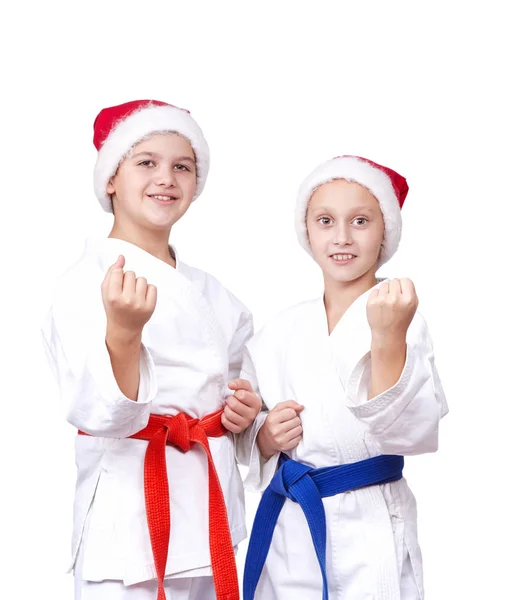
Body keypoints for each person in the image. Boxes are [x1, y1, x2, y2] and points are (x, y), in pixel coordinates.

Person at [42, 99, 261, 600]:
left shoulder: (216, 295)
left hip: (208, 513)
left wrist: (245, 410)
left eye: (181, 166)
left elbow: (241, 396)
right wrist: (123, 332)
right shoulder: (82, 284)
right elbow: (96, 411)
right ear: (111, 180)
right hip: (127, 524)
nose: (166, 178)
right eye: (147, 162)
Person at [236, 155, 448, 600]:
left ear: (385, 232)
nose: (342, 237)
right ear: (307, 231)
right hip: (293, 525)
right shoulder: (281, 329)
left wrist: (389, 337)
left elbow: (413, 431)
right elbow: (246, 422)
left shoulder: (403, 317)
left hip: (372, 525)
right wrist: (266, 436)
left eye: (360, 221)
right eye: (326, 220)